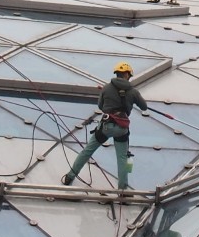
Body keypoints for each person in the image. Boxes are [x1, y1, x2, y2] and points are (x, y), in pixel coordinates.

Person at [61, 61, 148, 190]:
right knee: (122, 159)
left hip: (106, 126)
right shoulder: (133, 91)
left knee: (87, 151)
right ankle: (122, 190)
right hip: (122, 129)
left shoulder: (106, 88)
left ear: (117, 73)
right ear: (127, 75)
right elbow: (144, 107)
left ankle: (70, 176)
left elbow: (101, 106)